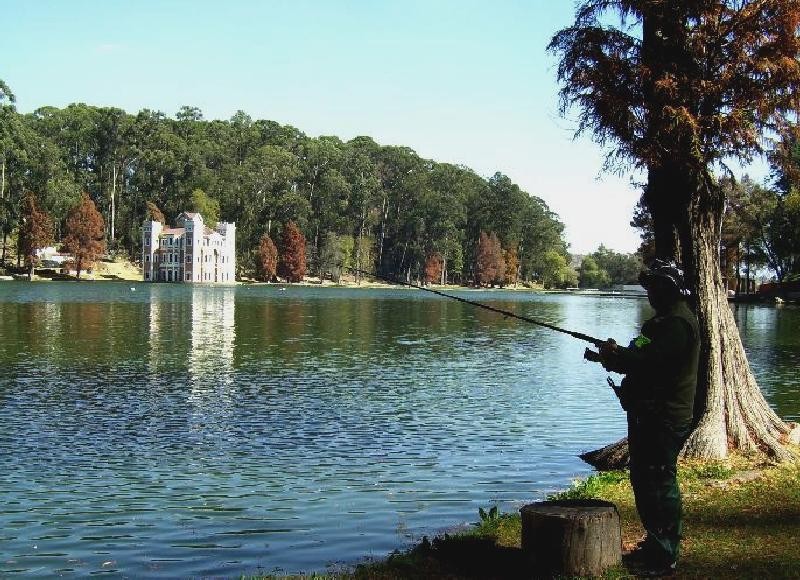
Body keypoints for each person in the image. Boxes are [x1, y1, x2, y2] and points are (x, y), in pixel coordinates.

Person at [595, 259, 700, 577]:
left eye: (654, 286)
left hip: (663, 418)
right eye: (648, 287)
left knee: (659, 483)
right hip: (649, 416)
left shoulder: (676, 325)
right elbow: (637, 353)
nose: (650, 293)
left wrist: (620, 357)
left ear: (669, 288)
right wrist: (613, 354)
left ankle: (665, 553)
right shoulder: (661, 323)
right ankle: (656, 543)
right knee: (646, 480)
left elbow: (648, 362)